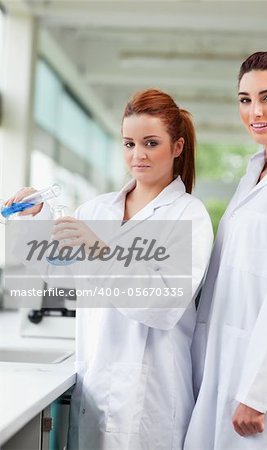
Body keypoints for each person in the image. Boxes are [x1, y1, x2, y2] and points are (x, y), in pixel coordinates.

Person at [9, 89, 213, 449]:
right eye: (129, 143)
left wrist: (100, 250)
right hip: (97, 385)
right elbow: (60, 275)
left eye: (151, 143)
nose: (138, 155)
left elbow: (163, 306)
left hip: (151, 397)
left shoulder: (189, 215)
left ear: (177, 147)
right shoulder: (97, 210)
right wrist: (32, 221)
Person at [184, 51, 267, 450]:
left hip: (262, 387)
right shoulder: (252, 173)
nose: (255, 111)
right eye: (245, 99)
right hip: (221, 362)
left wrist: (257, 391)